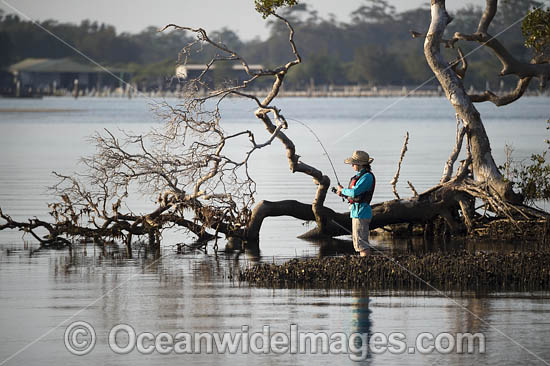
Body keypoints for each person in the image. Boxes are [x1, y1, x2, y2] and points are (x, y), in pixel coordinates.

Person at [336, 150, 375, 257]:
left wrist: (343, 190)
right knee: (358, 243)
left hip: (362, 213)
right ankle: (365, 264)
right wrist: (343, 194)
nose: (352, 165)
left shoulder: (367, 177)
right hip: (357, 213)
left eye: (353, 163)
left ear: (360, 164)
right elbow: (355, 195)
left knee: (362, 244)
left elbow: (354, 192)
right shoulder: (361, 176)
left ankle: (366, 264)